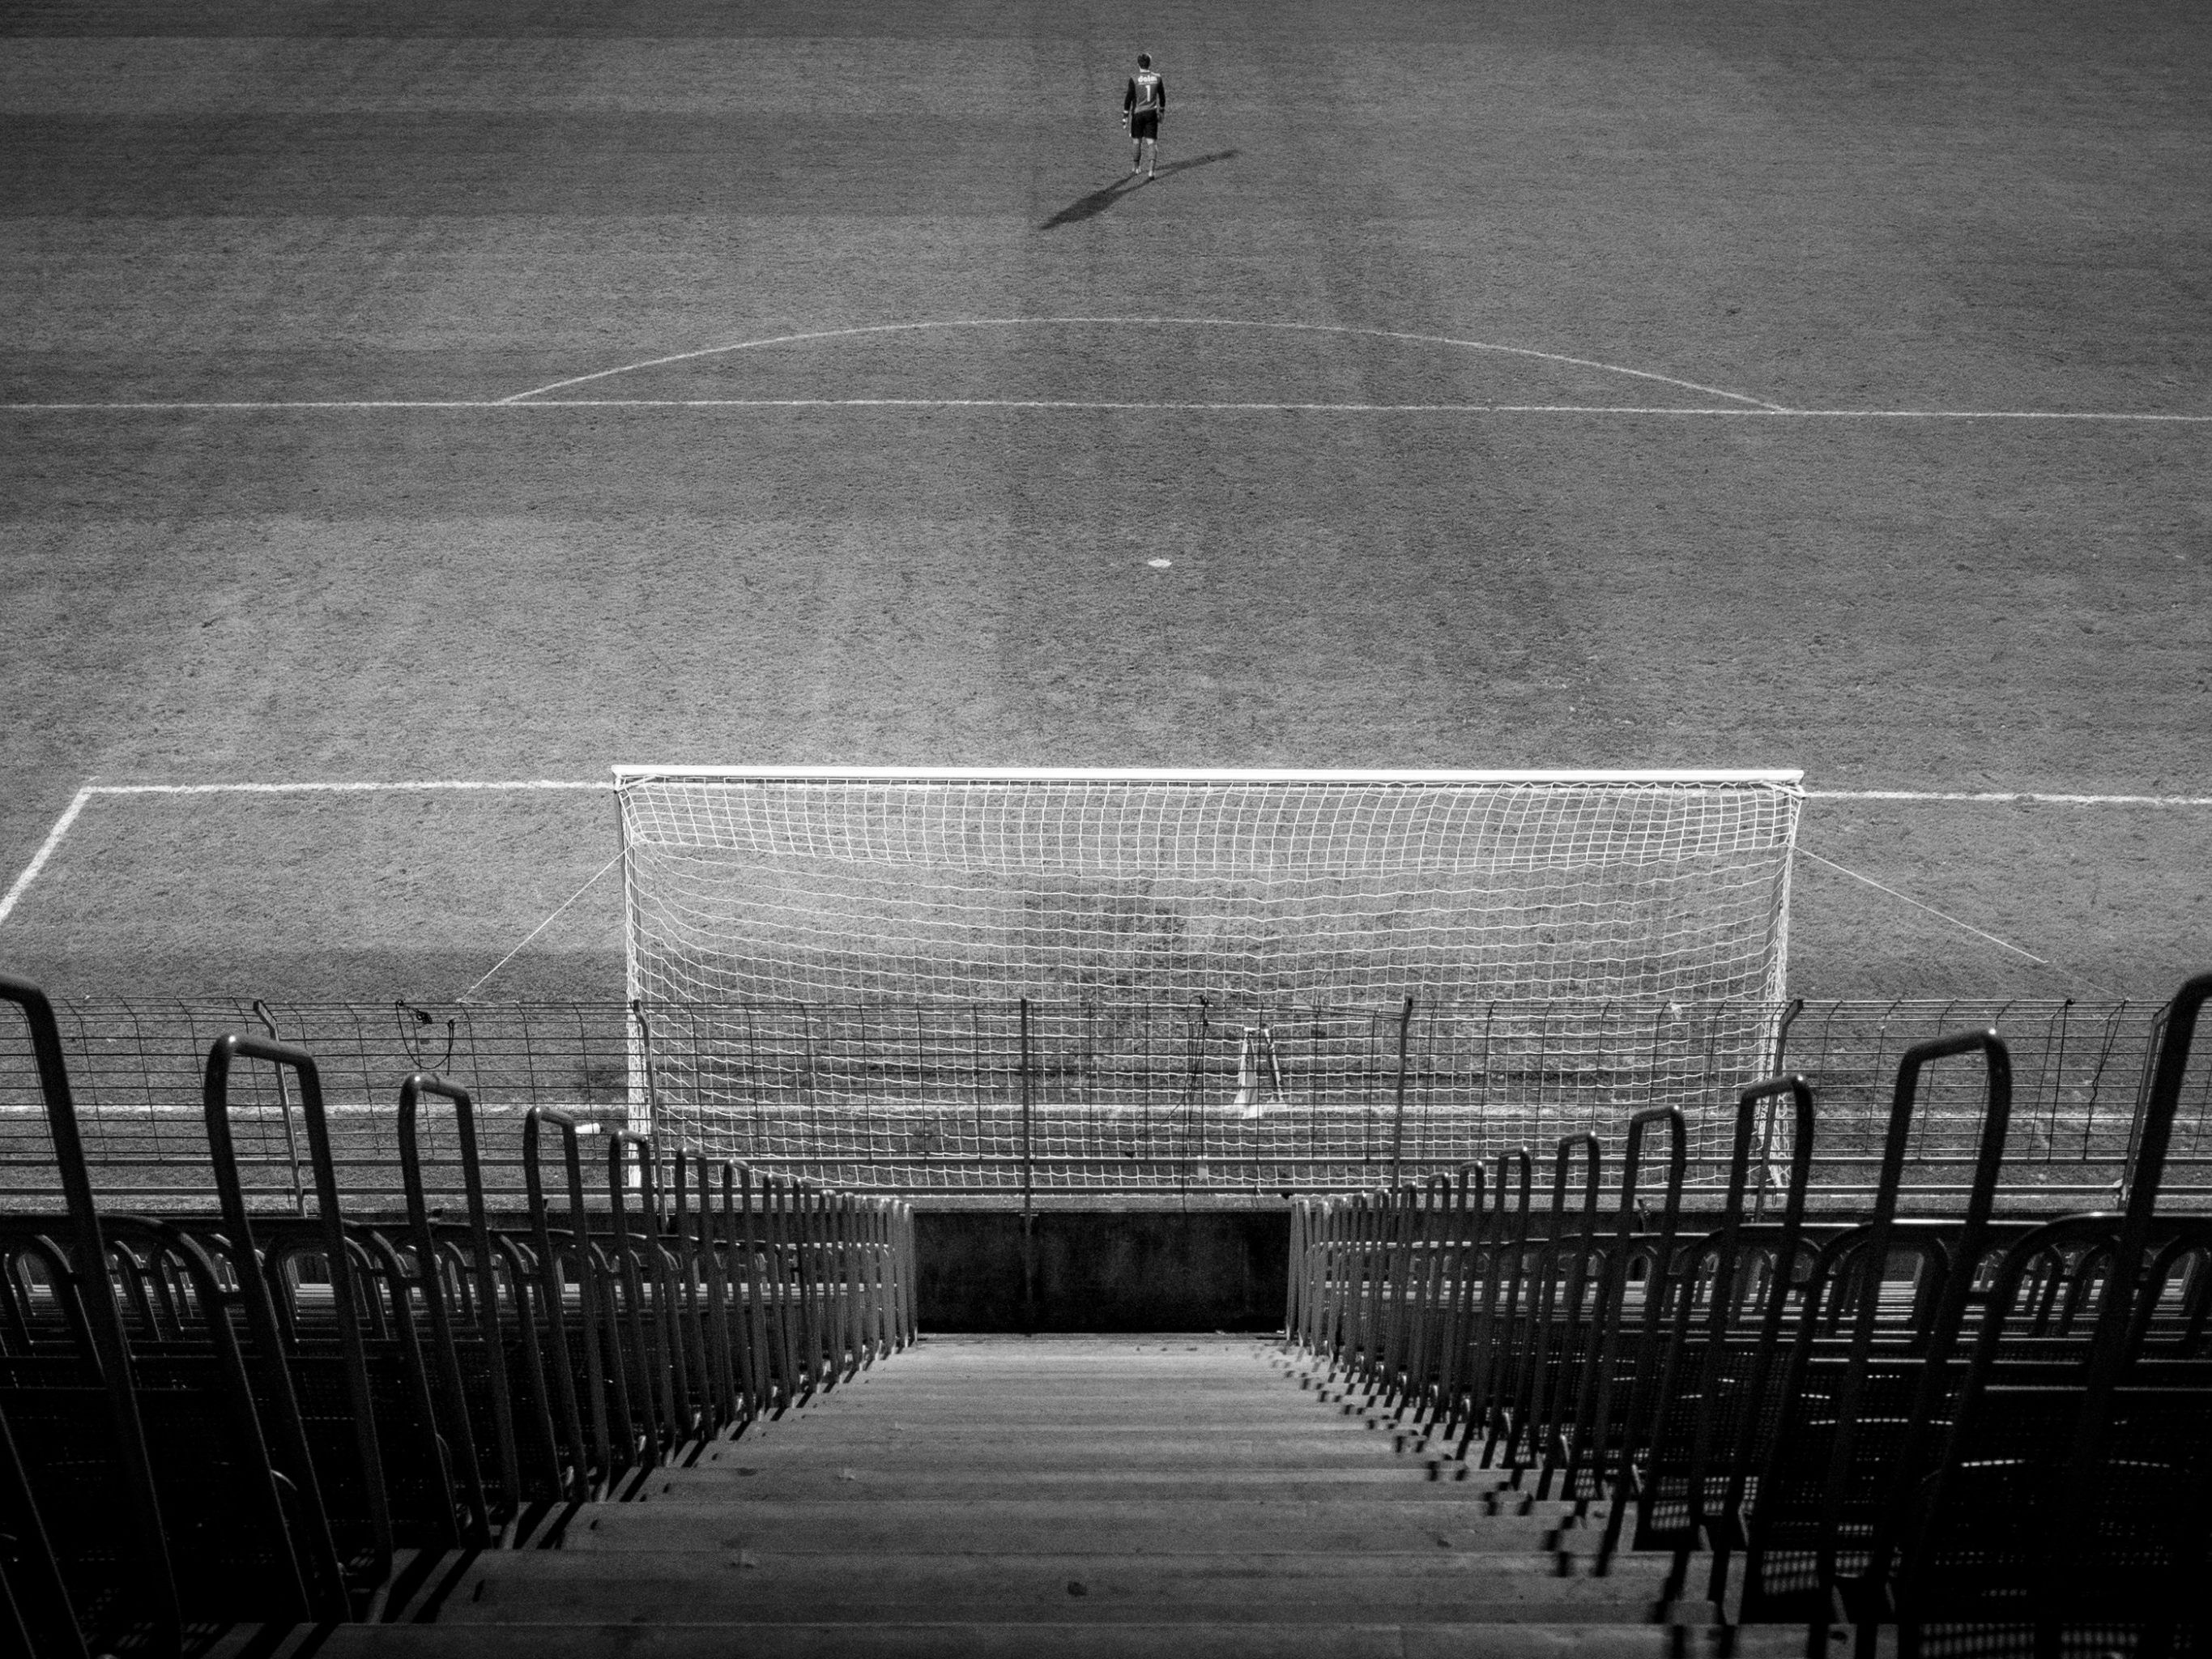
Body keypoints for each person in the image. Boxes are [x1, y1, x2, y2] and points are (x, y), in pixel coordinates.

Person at [1122, 53, 1166, 181]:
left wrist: (1125, 117)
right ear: (1149, 63)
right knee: (1152, 143)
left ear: (1138, 64)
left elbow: (1128, 99)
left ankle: (1136, 168)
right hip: (1151, 114)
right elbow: (1162, 97)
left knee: (1137, 141)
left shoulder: (1134, 79)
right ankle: (1151, 172)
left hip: (1137, 114)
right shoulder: (1157, 78)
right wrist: (1161, 112)